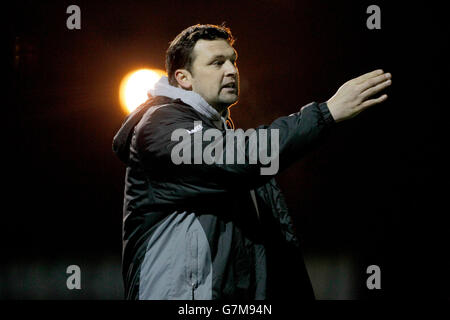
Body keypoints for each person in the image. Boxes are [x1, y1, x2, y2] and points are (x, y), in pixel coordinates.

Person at [112, 24, 392, 300]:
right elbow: (243, 157)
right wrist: (325, 114)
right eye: (217, 63)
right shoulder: (160, 126)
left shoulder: (226, 141)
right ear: (184, 78)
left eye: (233, 61)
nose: (232, 70)